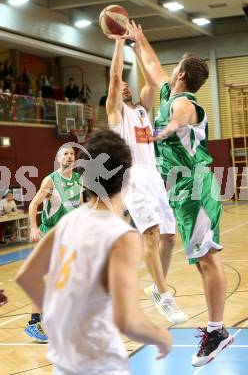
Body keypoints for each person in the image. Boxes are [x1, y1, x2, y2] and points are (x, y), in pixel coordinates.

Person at [16, 129, 172, 374]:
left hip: (65, 362)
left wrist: (57, 318)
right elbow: (126, 320)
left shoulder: (68, 222)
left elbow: (26, 277)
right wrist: (161, 336)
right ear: (127, 177)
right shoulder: (123, 236)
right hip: (101, 363)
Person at [123, 21, 233, 367]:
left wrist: (167, 129)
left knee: (207, 258)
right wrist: (138, 39)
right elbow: (153, 68)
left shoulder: (184, 101)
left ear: (182, 74)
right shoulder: (170, 93)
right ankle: (215, 329)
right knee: (203, 259)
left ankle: (216, 331)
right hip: (181, 190)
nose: (167, 72)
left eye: (174, 69)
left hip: (195, 187)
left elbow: (182, 115)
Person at [106, 36, 187, 324]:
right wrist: (118, 43)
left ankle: (157, 287)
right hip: (131, 176)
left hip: (153, 174)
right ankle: (166, 297)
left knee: (169, 237)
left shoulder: (141, 110)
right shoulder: (117, 113)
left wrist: (136, 48)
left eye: (129, 85)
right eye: (121, 87)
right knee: (150, 233)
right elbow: (116, 78)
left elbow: (152, 85)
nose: (125, 86)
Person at [24, 145, 82, 342]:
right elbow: (33, 205)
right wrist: (33, 228)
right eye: (65, 154)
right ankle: (33, 323)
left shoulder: (78, 179)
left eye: (72, 154)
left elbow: (80, 208)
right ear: (58, 159)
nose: (69, 156)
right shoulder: (51, 180)